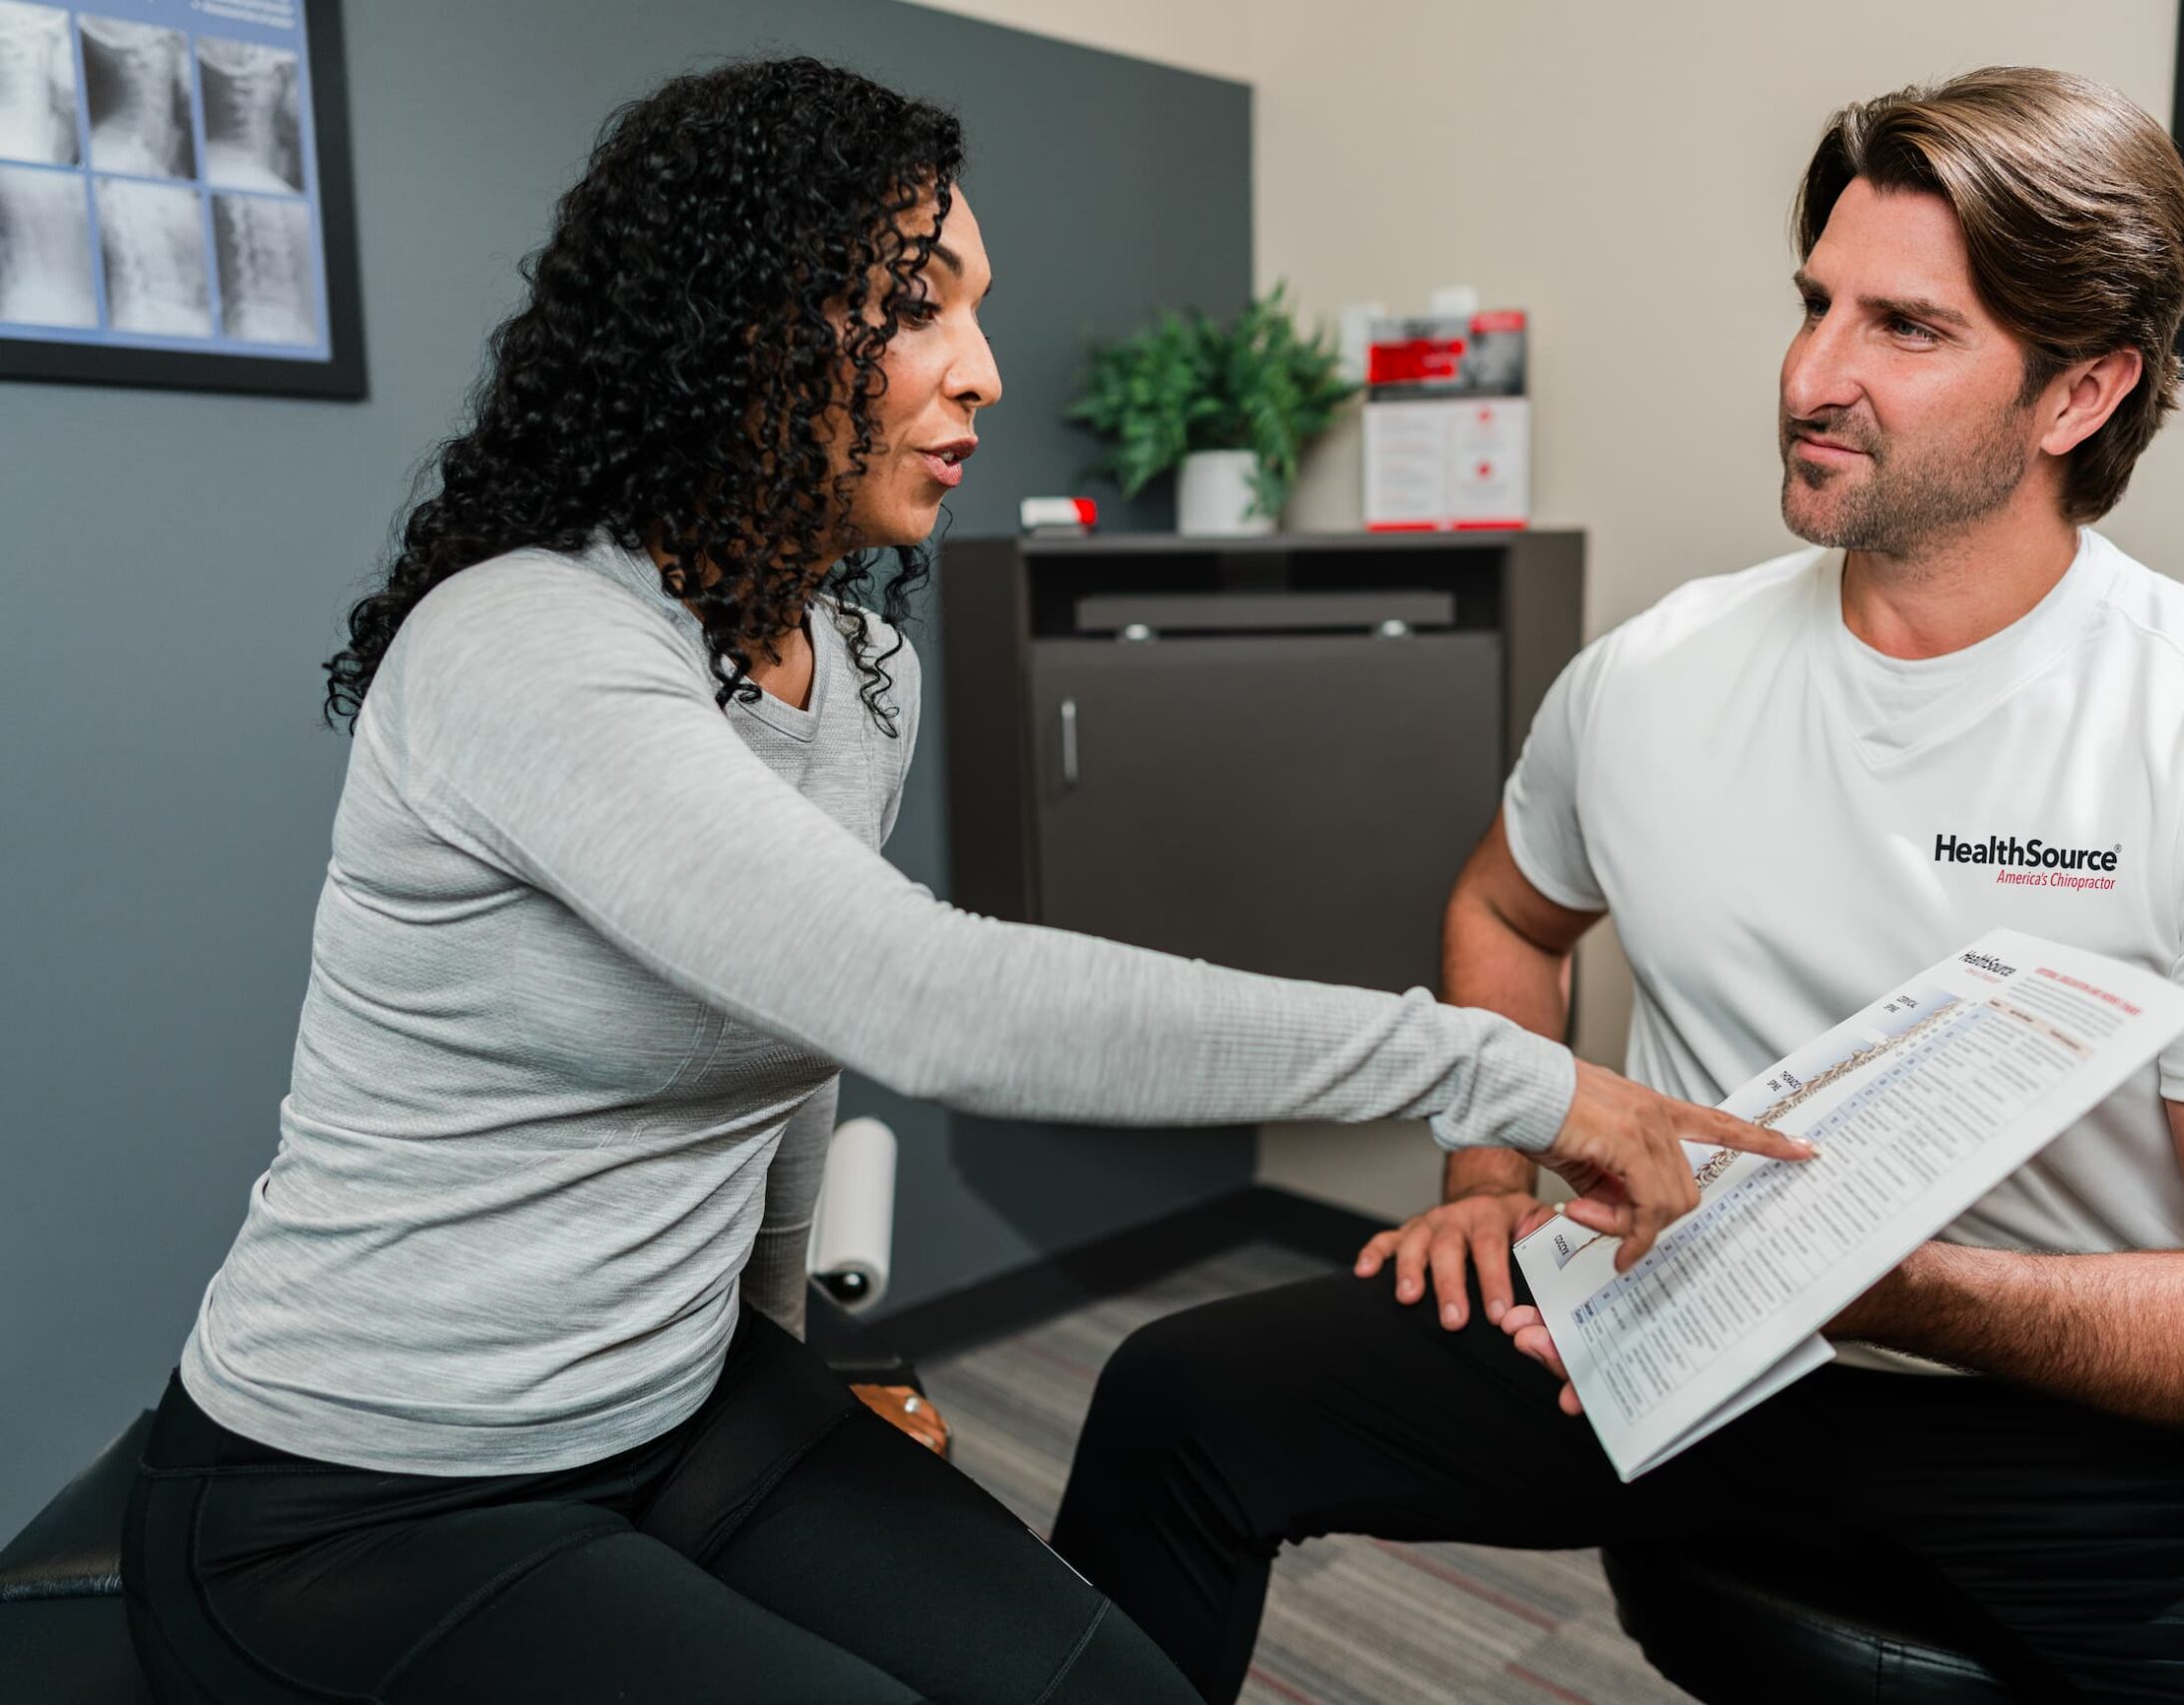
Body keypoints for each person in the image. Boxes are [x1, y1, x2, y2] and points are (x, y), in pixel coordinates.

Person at [116, 59, 1793, 1705]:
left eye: (979, 309)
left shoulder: (853, 668)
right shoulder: (523, 647)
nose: (982, 371)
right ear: (740, 324)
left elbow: (786, 1064)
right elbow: (925, 997)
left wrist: (793, 1366)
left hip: (683, 1410)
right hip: (366, 1494)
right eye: (920, 303)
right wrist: (1514, 1074)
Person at [1052, 66, 2184, 1705]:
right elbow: (1507, 911)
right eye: (1814, 303)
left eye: (1905, 329)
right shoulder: (1653, 679)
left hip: (2079, 1426)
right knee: (1180, 1399)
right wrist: (1486, 1175)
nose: (1812, 375)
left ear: (2080, 392)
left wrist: (1886, 1282)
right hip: (1658, 1327)